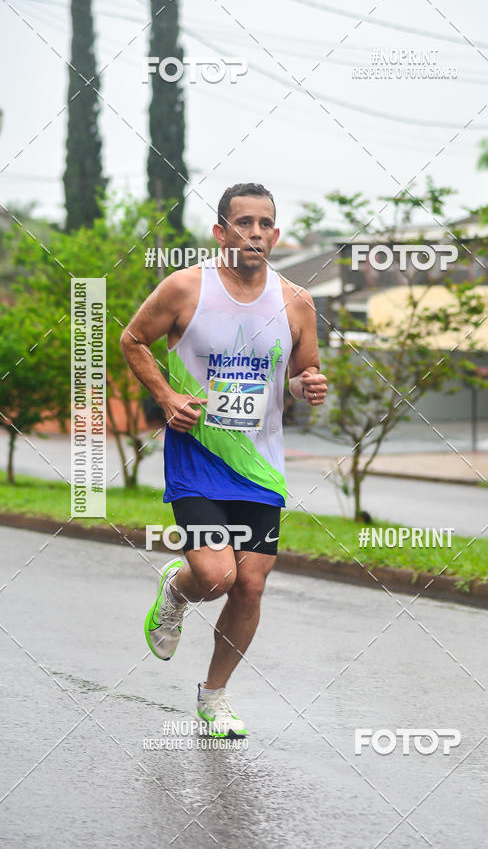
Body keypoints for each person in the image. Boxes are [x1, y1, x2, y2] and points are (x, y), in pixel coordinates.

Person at [120, 183, 327, 738]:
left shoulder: (295, 302)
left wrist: (310, 383)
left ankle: (213, 698)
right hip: (197, 455)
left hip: (260, 466)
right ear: (221, 232)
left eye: (264, 223)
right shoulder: (186, 287)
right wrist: (167, 398)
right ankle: (178, 589)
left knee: (250, 586)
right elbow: (133, 339)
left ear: (276, 235)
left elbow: (306, 369)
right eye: (243, 223)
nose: (254, 232)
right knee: (215, 574)